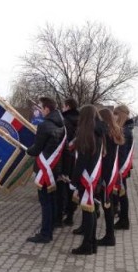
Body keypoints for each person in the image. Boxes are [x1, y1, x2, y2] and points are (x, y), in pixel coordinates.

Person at [25, 96, 66, 244]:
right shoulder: (62, 125)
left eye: (41, 108)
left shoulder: (44, 125)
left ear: (47, 109)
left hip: (45, 170)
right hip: (55, 169)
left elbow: (37, 149)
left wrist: (27, 150)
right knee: (52, 200)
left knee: (45, 202)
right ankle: (50, 227)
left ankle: (45, 234)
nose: (40, 111)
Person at [71, 105, 104, 255]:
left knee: (88, 211)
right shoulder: (98, 132)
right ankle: (91, 244)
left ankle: (87, 246)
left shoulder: (87, 134)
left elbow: (81, 161)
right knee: (90, 211)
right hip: (93, 177)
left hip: (86, 178)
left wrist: (74, 182)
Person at [97, 108, 125, 246]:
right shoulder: (115, 130)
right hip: (112, 170)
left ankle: (110, 236)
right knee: (108, 203)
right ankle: (110, 234)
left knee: (106, 203)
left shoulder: (105, 132)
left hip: (106, 171)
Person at [57, 98, 79, 226]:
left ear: (68, 106)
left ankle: (66, 213)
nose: (62, 108)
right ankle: (71, 212)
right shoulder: (82, 120)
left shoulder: (65, 121)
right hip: (77, 158)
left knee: (65, 185)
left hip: (67, 158)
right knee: (74, 185)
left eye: (63, 106)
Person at [113, 105, 134, 230]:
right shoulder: (126, 129)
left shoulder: (124, 131)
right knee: (122, 194)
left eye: (116, 114)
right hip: (121, 168)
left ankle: (124, 220)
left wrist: (117, 169)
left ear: (120, 115)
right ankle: (123, 219)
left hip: (120, 168)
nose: (114, 117)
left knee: (122, 195)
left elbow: (121, 152)